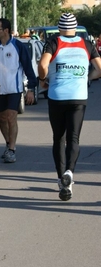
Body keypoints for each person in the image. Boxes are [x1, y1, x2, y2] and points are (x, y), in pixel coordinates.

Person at [38, 13, 101, 201]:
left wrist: (43, 79)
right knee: (73, 138)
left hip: (57, 96)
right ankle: (70, 173)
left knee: (59, 138)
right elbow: (99, 69)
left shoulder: (53, 41)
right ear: (75, 28)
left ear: (59, 28)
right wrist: (86, 79)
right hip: (78, 97)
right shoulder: (86, 44)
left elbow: (42, 64)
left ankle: (60, 178)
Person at [0, 18, 36, 163]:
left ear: (6, 31)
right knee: (2, 119)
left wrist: (31, 89)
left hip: (14, 89)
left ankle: (12, 149)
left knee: (11, 117)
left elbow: (28, 67)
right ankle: (8, 144)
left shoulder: (18, 46)